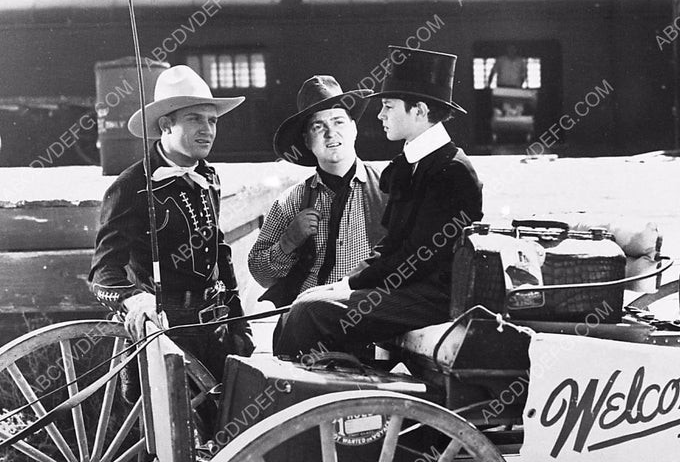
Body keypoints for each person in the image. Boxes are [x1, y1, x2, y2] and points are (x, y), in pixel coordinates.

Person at [277, 46, 483, 359]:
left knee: (311, 311)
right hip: (407, 288)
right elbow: (391, 245)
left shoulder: (453, 170)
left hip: (433, 299)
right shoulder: (412, 163)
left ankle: (293, 386)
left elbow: (417, 257)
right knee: (295, 309)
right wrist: (345, 283)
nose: (380, 115)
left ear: (419, 111)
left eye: (388, 106)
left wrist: (350, 287)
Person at [89, 65, 253, 380]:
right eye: (195, 119)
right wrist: (134, 299)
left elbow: (220, 252)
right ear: (166, 125)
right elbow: (102, 273)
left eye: (212, 120)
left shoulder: (209, 177)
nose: (207, 130)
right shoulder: (131, 186)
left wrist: (238, 322)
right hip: (162, 332)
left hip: (216, 326)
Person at [248, 76, 387, 326]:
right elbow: (260, 272)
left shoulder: (388, 190)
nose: (331, 133)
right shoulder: (291, 201)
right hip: (308, 324)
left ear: (354, 128)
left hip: (372, 321)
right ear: (307, 140)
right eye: (318, 127)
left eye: (338, 121)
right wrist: (288, 242)